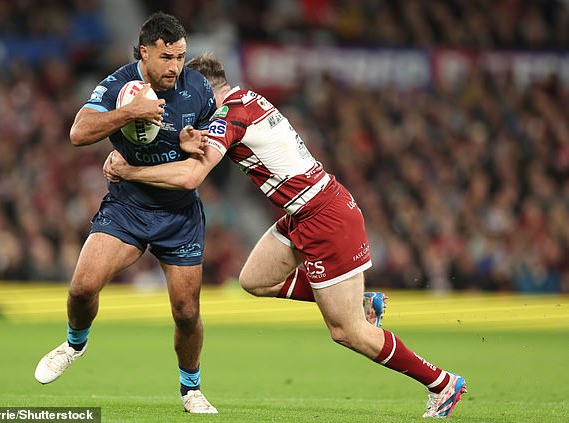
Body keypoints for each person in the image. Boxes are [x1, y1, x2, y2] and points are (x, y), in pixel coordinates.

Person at [102, 53, 467, 418]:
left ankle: (442, 383)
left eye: (190, 92)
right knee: (255, 279)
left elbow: (190, 178)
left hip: (324, 217)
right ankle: (358, 301)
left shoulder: (230, 114)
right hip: (303, 212)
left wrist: (129, 170)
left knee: (346, 331)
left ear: (203, 89)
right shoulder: (245, 101)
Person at [34, 13, 219, 414]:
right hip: (128, 207)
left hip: (178, 214)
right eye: (167, 57)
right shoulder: (117, 86)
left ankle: (191, 389)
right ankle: (73, 344)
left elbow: (202, 153)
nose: (175, 67)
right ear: (144, 51)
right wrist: (129, 113)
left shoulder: (199, 89)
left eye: (181, 57)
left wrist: (193, 141)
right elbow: (78, 133)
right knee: (82, 287)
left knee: (187, 312)